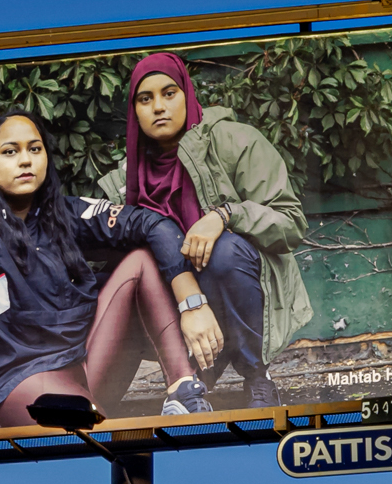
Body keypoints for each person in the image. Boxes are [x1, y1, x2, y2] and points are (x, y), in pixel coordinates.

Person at [0, 108, 221, 431]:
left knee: (141, 261)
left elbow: (151, 224)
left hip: (83, 364)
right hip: (13, 383)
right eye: (10, 152)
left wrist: (193, 302)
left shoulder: (58, 211)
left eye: (35, 149)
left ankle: (184, 394)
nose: (25, 160)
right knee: (103, 441)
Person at [97, 51, 314, 408]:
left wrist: (226, 215)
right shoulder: (124, 181)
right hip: (176, 304)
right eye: (145, 99)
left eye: (169, 93)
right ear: (134, 111)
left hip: (240, 286)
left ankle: (257, 375)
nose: (159, 107)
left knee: (224, 251)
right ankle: (188, 377)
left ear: (187, 94)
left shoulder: (233, 141)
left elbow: (290, 222)